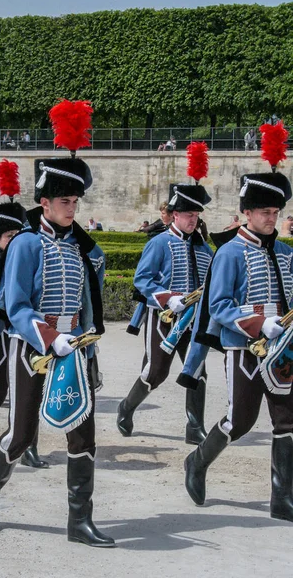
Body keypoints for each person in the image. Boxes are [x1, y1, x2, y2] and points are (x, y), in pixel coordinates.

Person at [0, 151, 114, 544]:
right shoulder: (25, 244)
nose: (71, 209)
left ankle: (79, 521)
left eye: (75, 202)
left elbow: (86, 304)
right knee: (21, 435)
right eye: (64, 201)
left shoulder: (81, 249)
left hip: (75, 350)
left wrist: (85, 346)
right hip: (33, 350)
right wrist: (52, 339)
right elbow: (17, 307)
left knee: (83, 435)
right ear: (45, 203)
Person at [184, 170, 293, 523]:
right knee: (241, 420)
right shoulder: (229, 252)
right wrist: (260, 323)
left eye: (275, 212)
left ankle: (282, 498)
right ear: (247, 212)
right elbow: (219, 306)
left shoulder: (286, 252)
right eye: (264, 211)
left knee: (287, 420)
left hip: (284, 349)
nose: (271, 218)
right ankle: (197, 461)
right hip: (244, 346)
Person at [117, 182, 213, 444]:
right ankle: (126, 407)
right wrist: (169, 298)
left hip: (192, 321)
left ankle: (194, 427)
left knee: (197, 370)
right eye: (188, 216)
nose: (193, 221)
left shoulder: (204, 249)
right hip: (164, 317)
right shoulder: (159, 242)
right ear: (175, 215)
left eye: (196, 216)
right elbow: (142, 280)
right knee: (156, 372)